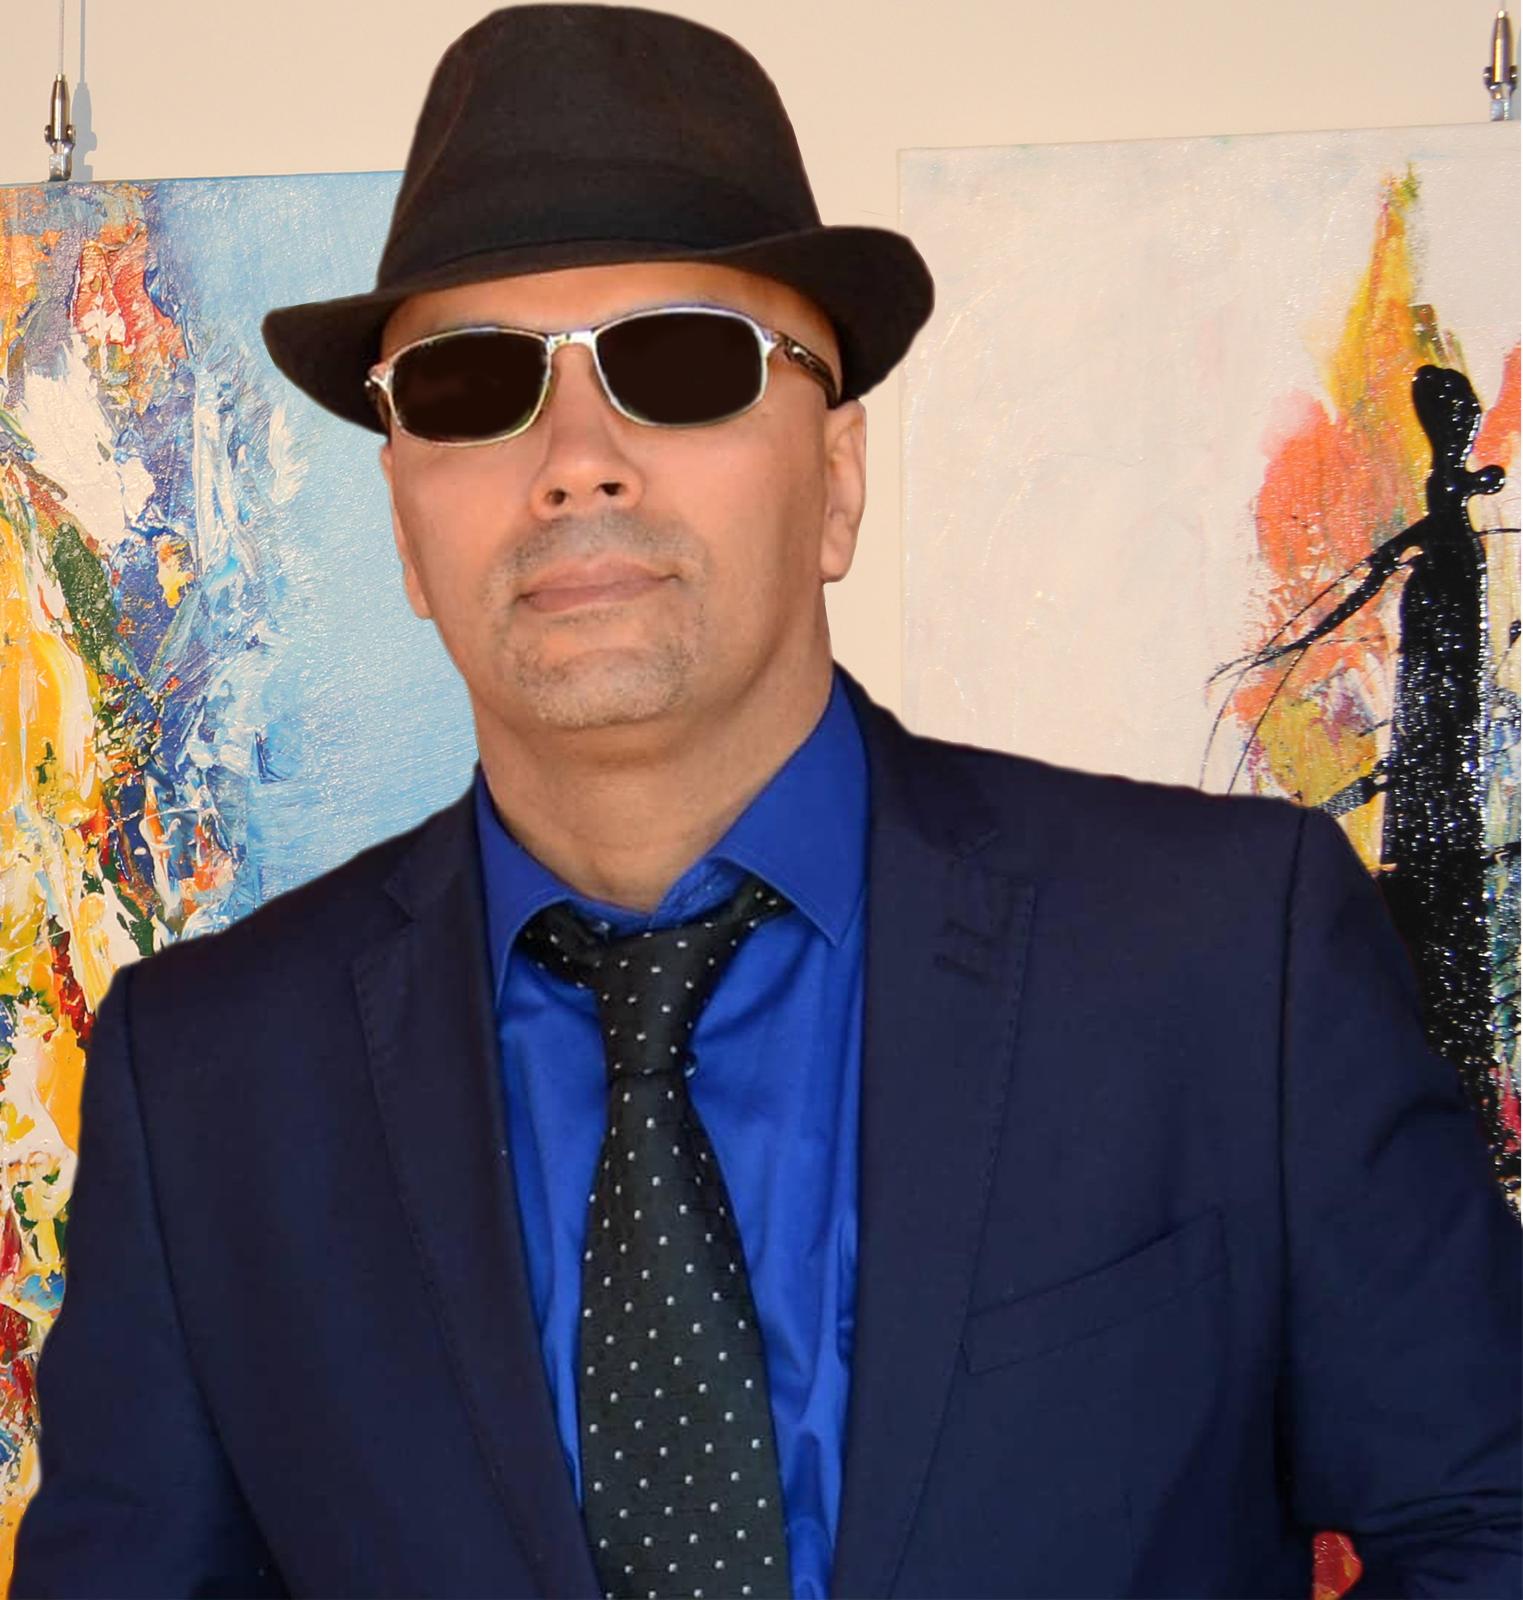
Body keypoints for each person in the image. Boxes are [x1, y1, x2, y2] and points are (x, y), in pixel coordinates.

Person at [12, 6, 1521, 1598]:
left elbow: (1491, 1525)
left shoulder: (1225, 958)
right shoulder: (212, 1081)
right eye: (470, 385)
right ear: (404, 522)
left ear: (838, 479)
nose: (577, 460)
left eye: (681, 363)